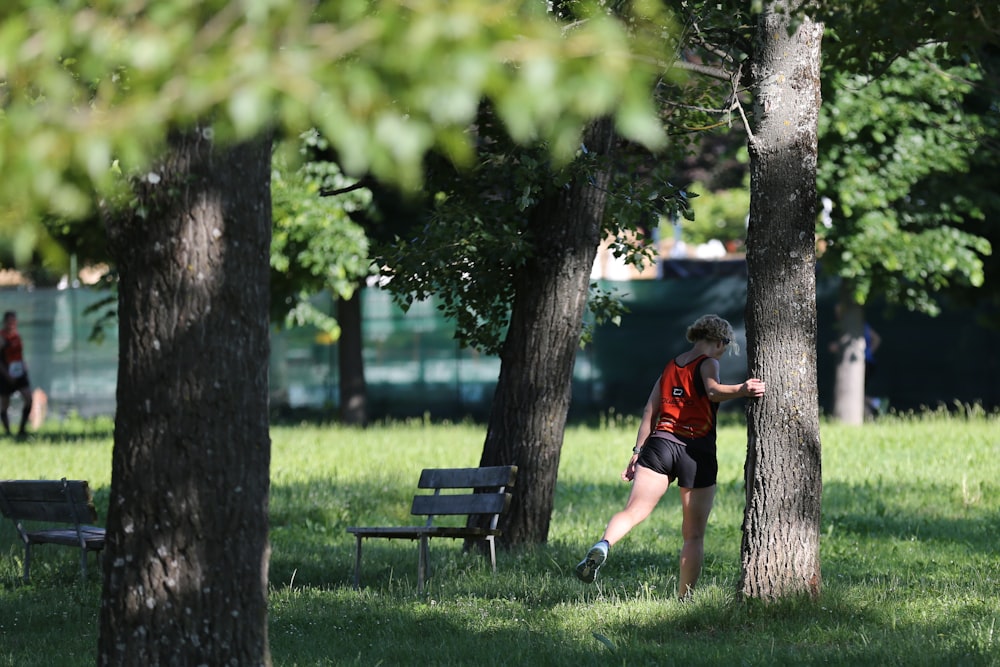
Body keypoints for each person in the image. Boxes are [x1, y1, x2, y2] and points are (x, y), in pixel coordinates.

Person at [574, 314, 765, 598]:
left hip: (660, 445)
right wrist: (742, 389)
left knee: (634, 510)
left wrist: (637, 452)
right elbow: (712, 392)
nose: (724, 351)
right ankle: (684, 597)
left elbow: (650, 412)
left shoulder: (670, 366)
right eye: (725, 344)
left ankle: (603, 544)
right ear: (716, 341)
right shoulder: (709, 362)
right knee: (693, 535)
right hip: (695, 450)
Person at [1, 311, 34, 439]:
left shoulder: (17, 336)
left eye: (14, 321)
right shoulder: (2, 337)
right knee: (4, 404)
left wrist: (23, 365)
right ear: (5, 322)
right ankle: (8, 432)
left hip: (19, 373)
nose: (12, 324)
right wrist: (6, 375)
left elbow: (19, 355)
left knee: (28, 398)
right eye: (10, 321)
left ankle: (21, 429)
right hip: (5, 375)